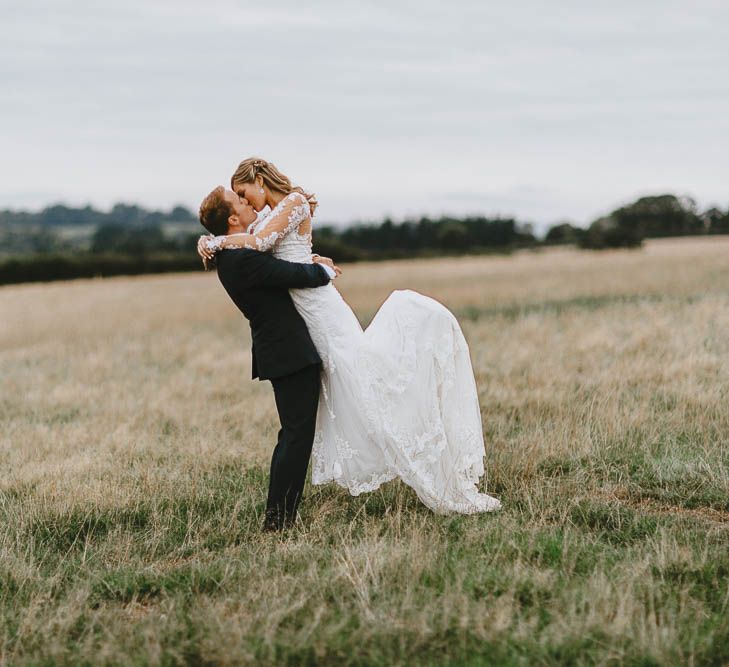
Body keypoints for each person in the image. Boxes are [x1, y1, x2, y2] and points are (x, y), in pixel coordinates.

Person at [198, 157, 501, 515]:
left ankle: (429, 463)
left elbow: (263, 244)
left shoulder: (291, 203)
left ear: (259, 180)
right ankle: (283, 515)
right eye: (239, 200)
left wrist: (216, 242)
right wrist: (214, 239)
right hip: (303, 322)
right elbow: (270, 250)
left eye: (244, 192)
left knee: (369, 387)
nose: (246, 201)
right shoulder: (262, 221)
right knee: (355, 399)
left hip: (321, 310)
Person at [198, 186, 340, 531]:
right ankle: (278, 521)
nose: (248, 204)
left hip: (282, 350)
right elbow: (294, 275)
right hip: (287, 351)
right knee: (295, 435)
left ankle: (281, 516)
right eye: (241, 202)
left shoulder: (233, 255)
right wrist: (324, 270)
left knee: (294, 433)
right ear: (233, 217)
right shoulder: (241, 258)